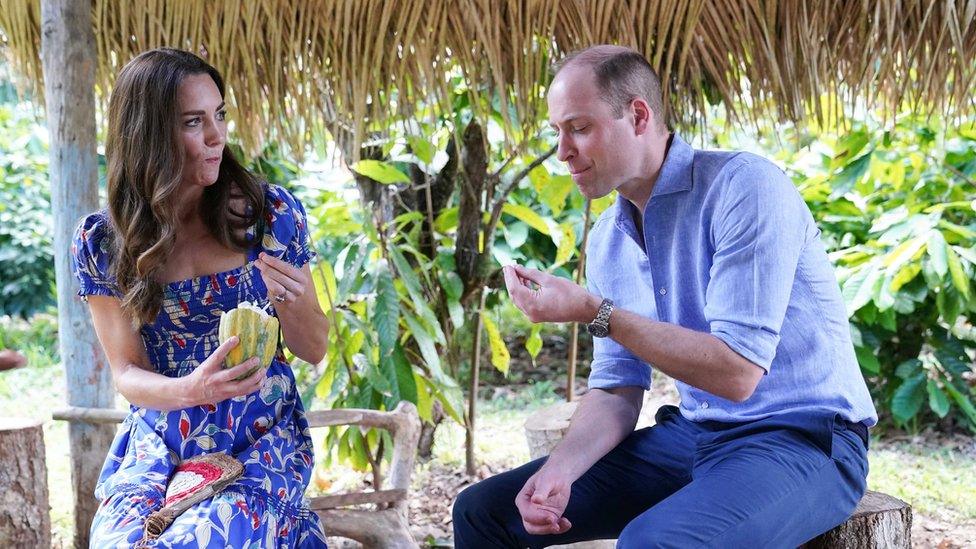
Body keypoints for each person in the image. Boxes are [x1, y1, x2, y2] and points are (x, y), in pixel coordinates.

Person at [453, 45, 877, 548]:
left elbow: (738, 373)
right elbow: (616, 388)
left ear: (637, 115)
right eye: (557, 133)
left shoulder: (745, 187)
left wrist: (596, 312)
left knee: (653, 543)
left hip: (803, 438)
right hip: (696, 434)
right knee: (484, 512)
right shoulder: (610, 237)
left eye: (579, 128)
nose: (562, 151)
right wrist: (560, 473)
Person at [71, 48, 329, 547]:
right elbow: (127, 373)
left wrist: (294, 301)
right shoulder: (103, 240)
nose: (217, 137)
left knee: (199, 539)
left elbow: (314, 348)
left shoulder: (267, 214)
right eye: (194, 122)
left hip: (257, 439)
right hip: (159, 438)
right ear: (149, 135)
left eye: (220, 115)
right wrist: (193, 389)